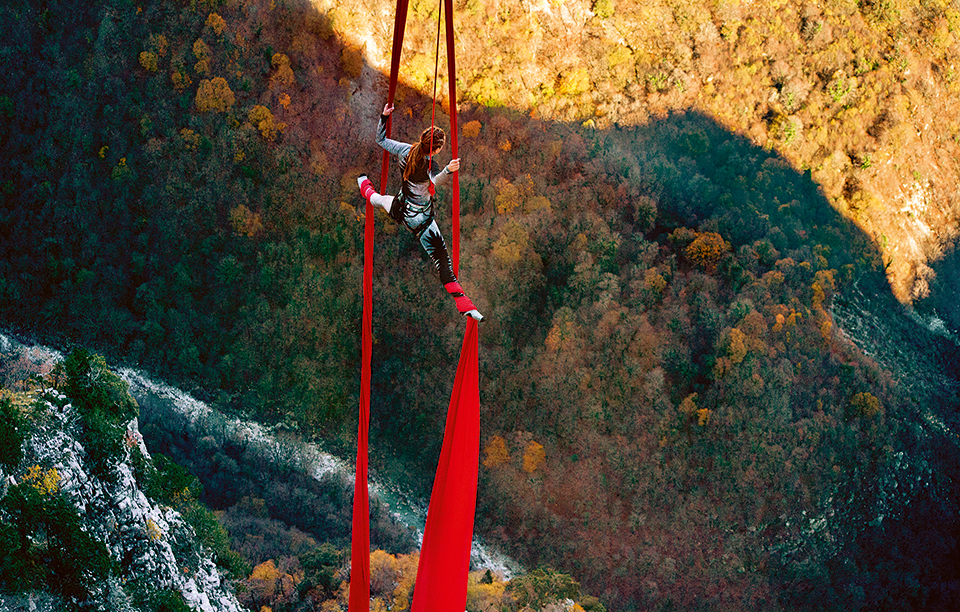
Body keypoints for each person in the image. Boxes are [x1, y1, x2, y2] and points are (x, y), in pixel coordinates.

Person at [358, 103, 484, 322]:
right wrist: (449, 170)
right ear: (435, 150)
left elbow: (380, 140)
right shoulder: (430, 167)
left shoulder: (405, 150)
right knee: (442, 261)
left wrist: (384, 116)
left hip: (401, 208)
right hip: (422, 220)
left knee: (379, 199)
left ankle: (364, 186)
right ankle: (465, 305)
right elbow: (436, 181)